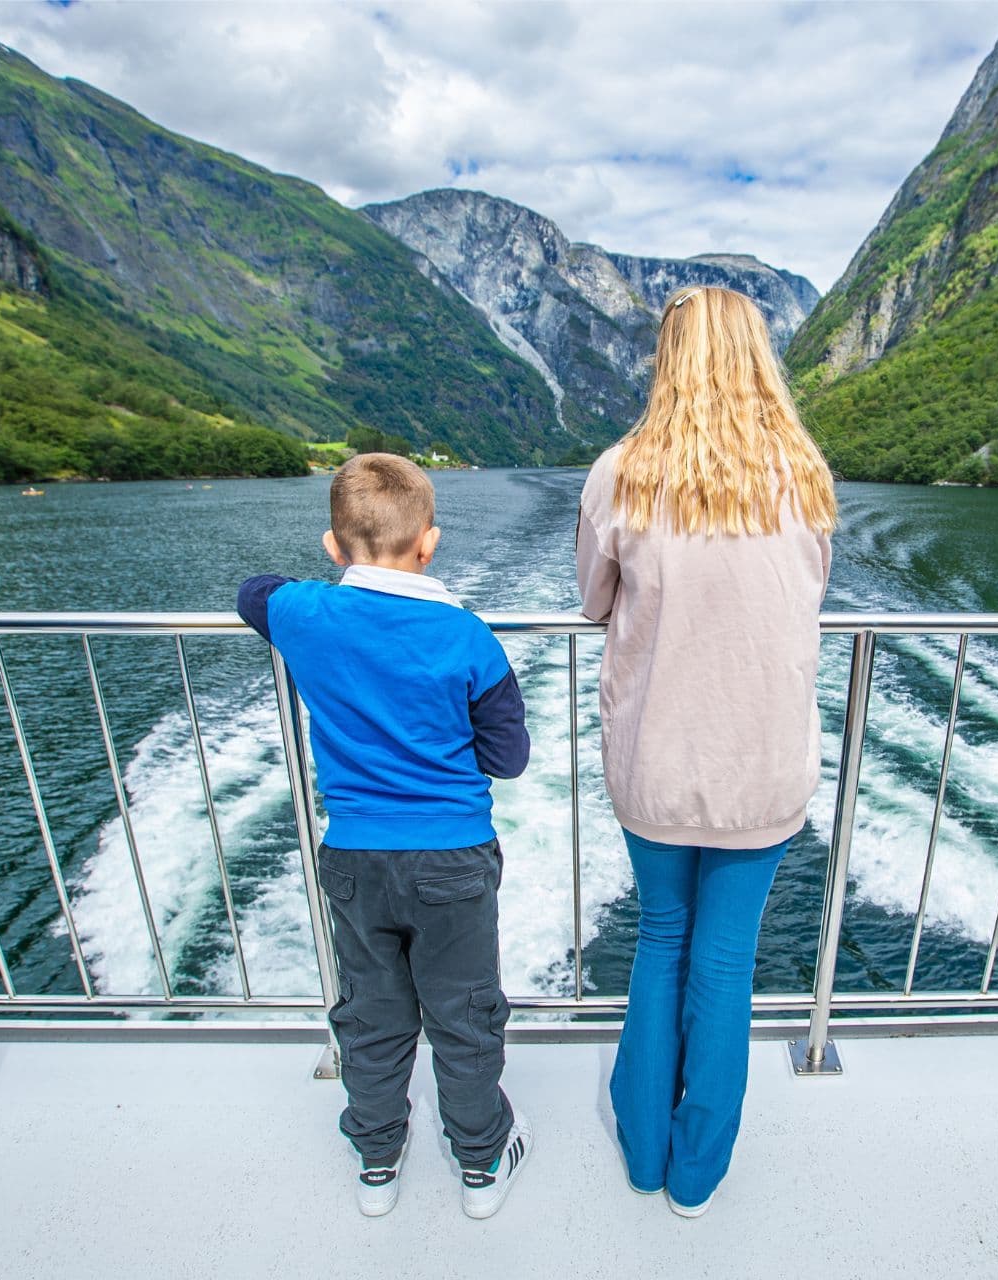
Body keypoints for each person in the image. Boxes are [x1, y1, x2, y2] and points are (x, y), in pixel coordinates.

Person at [576, 285, 836, 1217]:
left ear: (667, 359)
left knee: (661, 940)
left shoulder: (621, 472)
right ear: (758, 357)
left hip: (657, 757)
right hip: (762, 763)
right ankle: (696, 1177)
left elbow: (593, 601)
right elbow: (808, 593)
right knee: (726, 962)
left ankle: (644, 1155)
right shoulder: (805, 475)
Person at [237, 454, 532, 1220]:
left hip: (356, 859)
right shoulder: (468, 637)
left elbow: (253, 592)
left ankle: (377, 1159)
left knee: (371, 1015)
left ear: (333, 547)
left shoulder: (305, 614)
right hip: (452, 860)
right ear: (429, 543)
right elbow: (508, 757)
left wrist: (323, 579)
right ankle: (480, 1162)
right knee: (464, 1016)